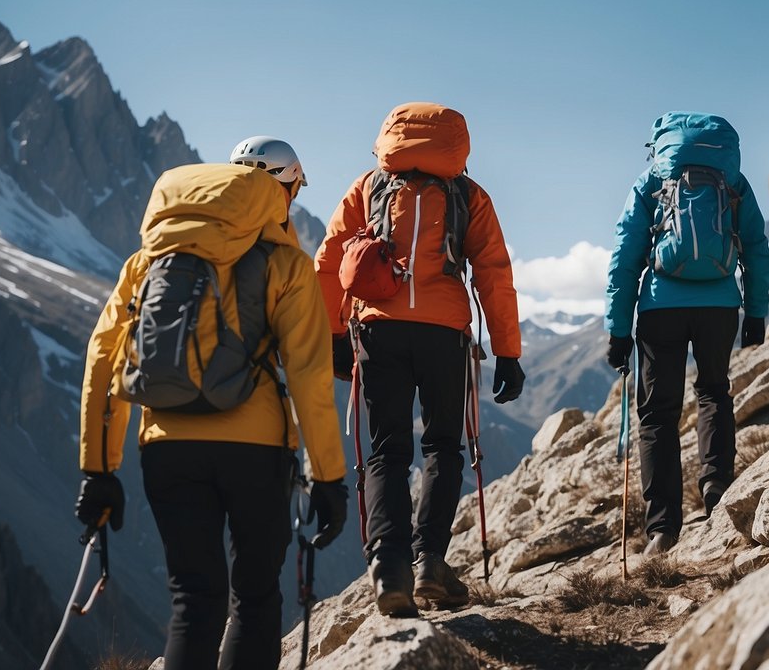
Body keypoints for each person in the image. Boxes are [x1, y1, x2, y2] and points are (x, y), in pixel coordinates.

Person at [75, 150, 347, 670]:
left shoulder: (146, 263)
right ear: (280, 193)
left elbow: (102, 362)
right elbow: (310, 377)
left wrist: (98, 469)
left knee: (194, 603)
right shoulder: (286, 265)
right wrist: (328, 476)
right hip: (256, 452)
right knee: (255, 599)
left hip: (167, 449)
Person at [315, 102, 524, 616]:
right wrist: (508, 352)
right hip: (444, 334)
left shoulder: (368, 187)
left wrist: (335, 335)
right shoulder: (469, 195)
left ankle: (389, 568)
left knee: (386, 450)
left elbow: (328, 260)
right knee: (444, 448)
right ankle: (430, 561)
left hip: (378, 331)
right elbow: (493, 272)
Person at [605, 111, 769, 556]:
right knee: (714, 392)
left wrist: (618, 328)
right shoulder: (732, 181)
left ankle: (662, 529)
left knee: (658, 415)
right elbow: (756, 246)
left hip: (661, 307)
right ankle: (716, 485)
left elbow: (625, 253)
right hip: (720, 305)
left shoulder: (652, 181)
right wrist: (755, 313)